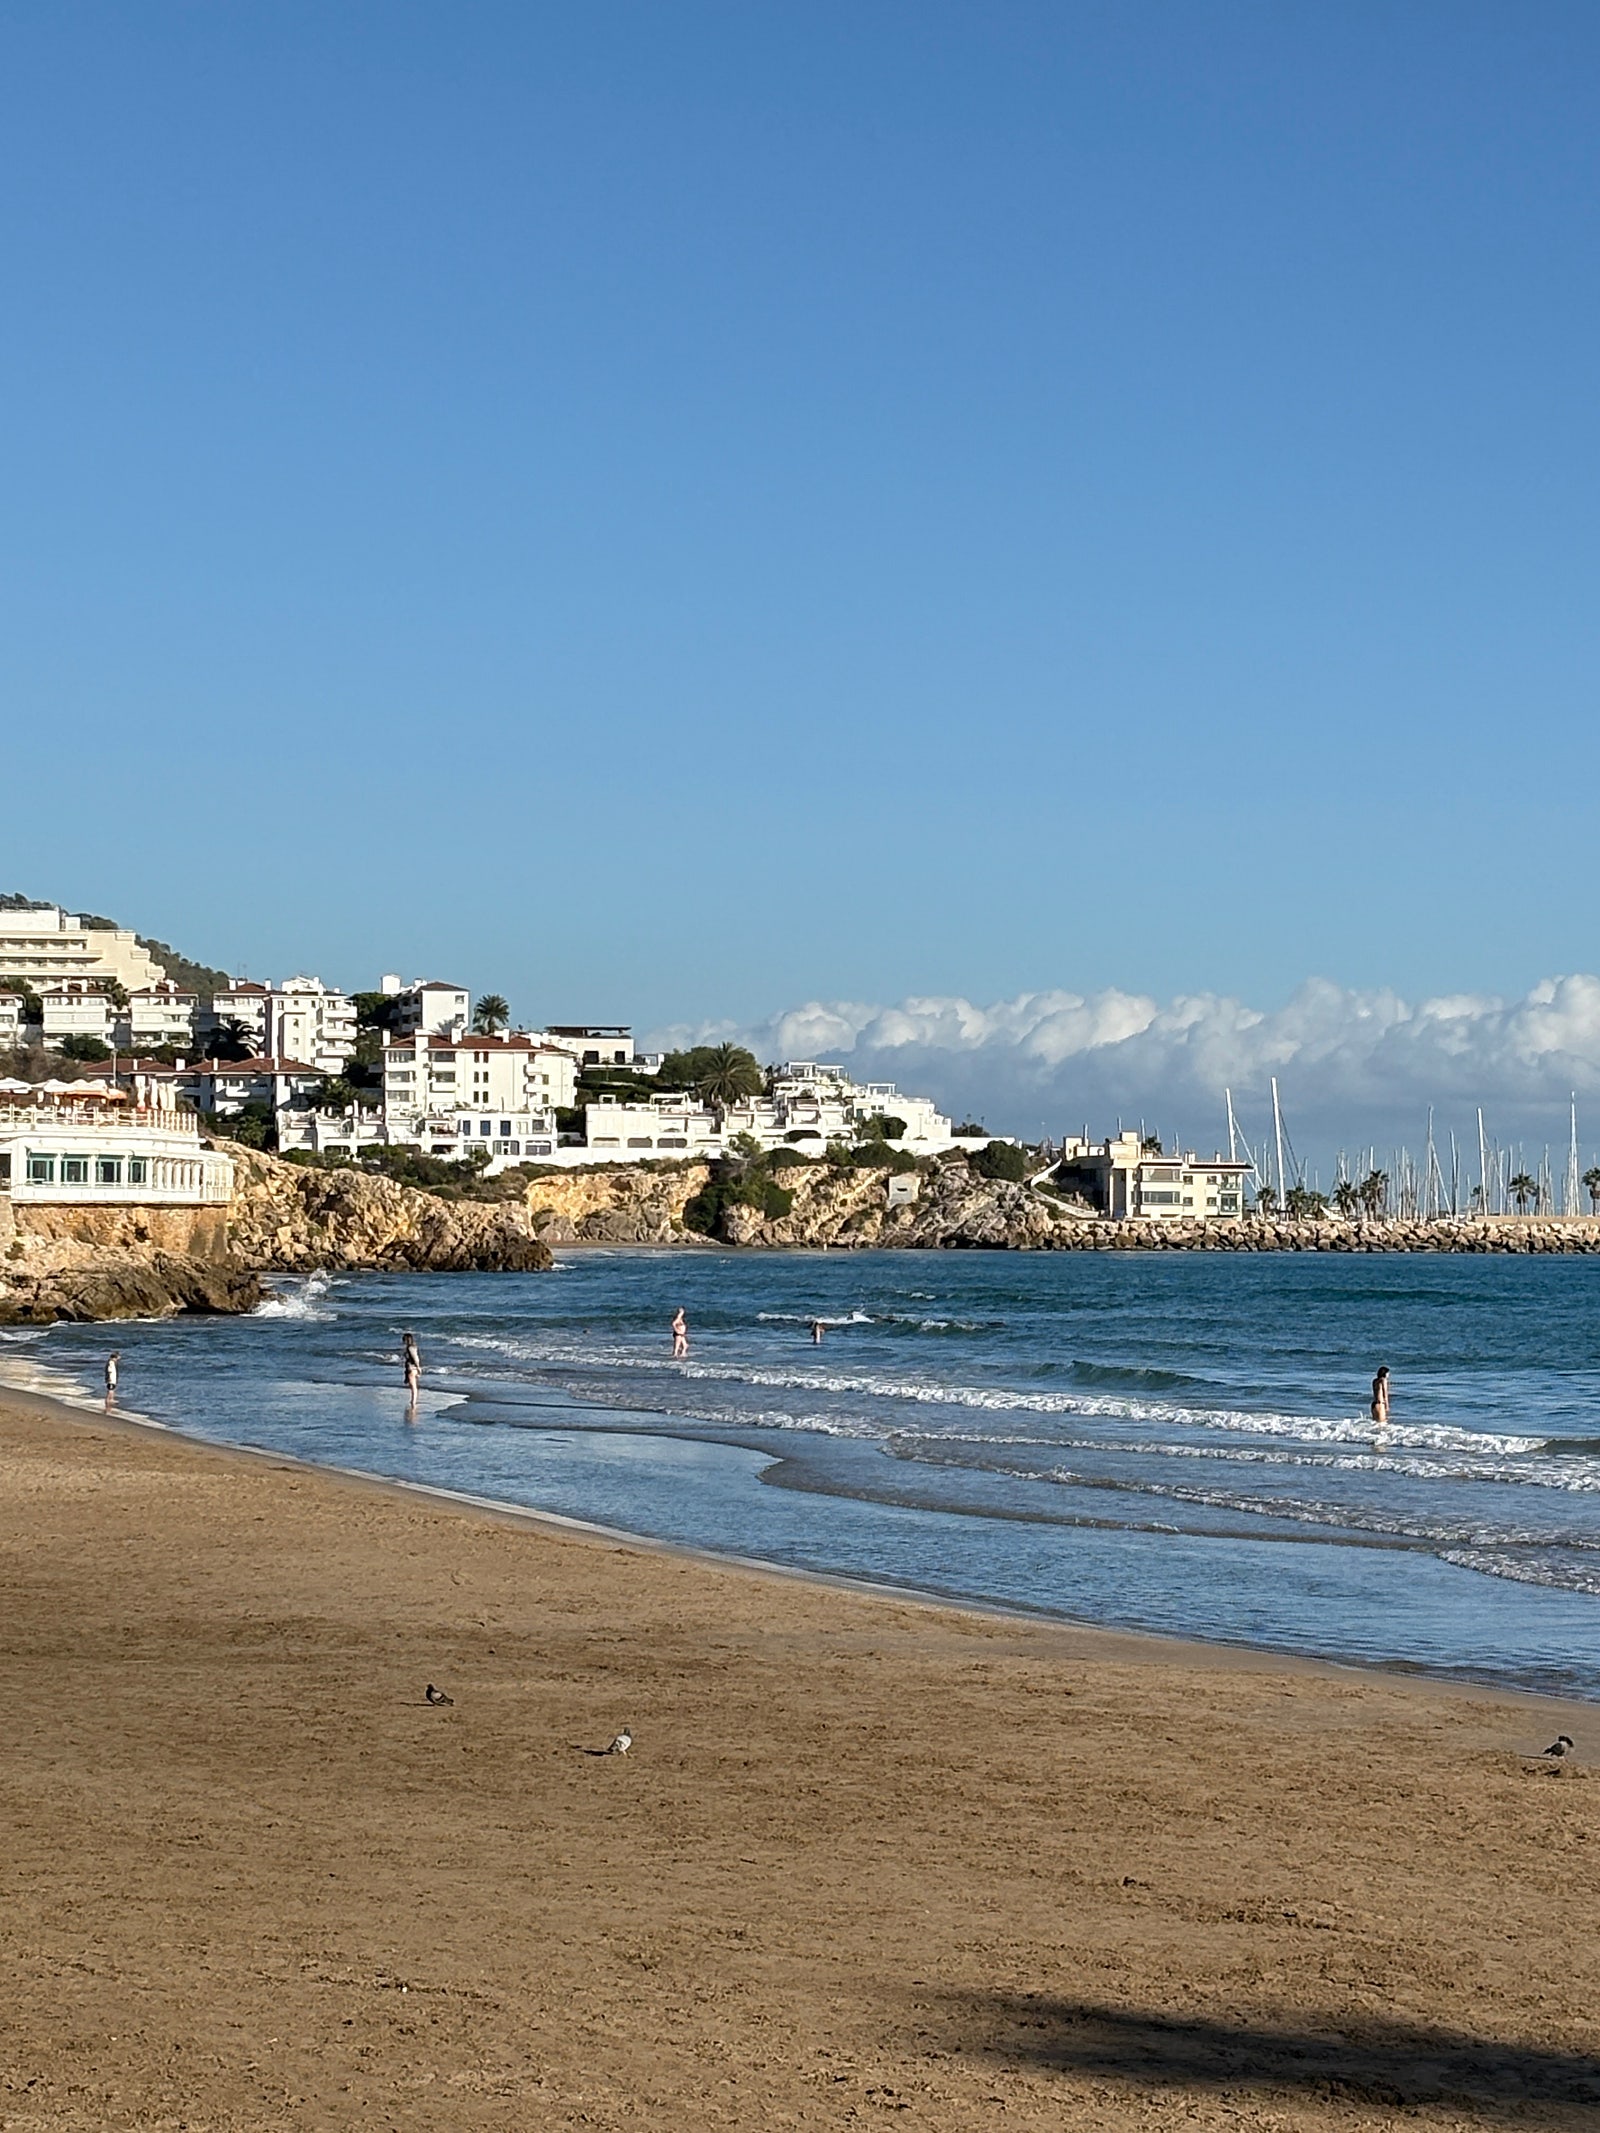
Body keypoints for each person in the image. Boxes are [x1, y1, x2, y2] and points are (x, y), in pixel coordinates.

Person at [402, 1331, 422, 1407]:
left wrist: (418, 1367)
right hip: (411, 1368)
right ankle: (413, 1401)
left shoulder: (410, 1348)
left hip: (412, 1368)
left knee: (413, 1386)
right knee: (412, 1385)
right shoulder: (412, 1347)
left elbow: (415, 1358)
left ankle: (413, 1402)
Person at [1370, 1364, 1391, 1437]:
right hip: (1380, 1404)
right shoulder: (1383, 1380)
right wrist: (1387, 1405)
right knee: (1382, 1424)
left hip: (1374, 1404)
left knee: (1375, 1424)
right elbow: (1385, 1394)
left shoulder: (1374, 1381)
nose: (1388, 1375)